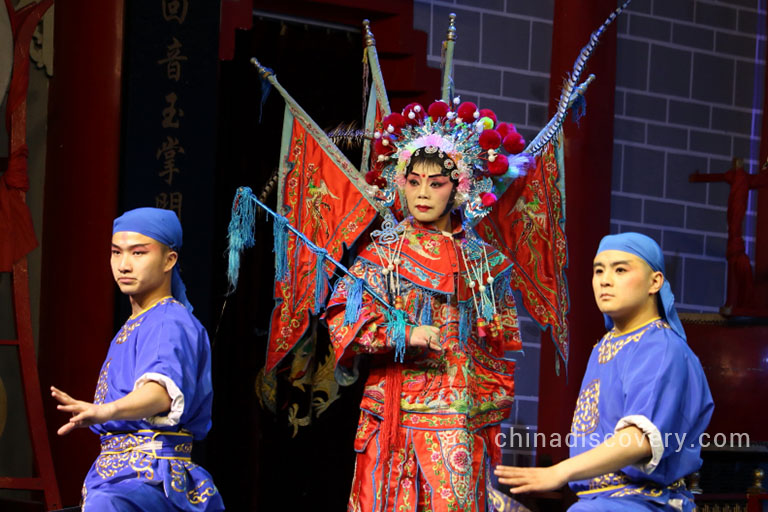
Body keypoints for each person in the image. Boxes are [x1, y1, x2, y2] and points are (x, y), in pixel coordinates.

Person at [325, 99, 530, 512]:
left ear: (459, 187)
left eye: (435, 183)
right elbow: (342, 320)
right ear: (399, 181)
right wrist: (404, 333)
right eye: (414, 180)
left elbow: (496, 343)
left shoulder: (484, 261)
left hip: (460, 414)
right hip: (394, 411)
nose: (422, 193)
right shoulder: (384, 253)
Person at [495, 232, 714, 511]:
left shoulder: (660, 346)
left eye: (620, 269)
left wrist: (559, 472)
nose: (605, 280)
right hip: (597, 501)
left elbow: (639, 440)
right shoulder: (604, 346)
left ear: (655, 282)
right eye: (599, 270)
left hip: (642, 501)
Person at [51, 207, 224, 511]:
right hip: (120, 479)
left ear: (170, 260)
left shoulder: (167, 321)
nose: (124, 265)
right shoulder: (138, 323)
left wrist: (106, 411)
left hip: (153, 481)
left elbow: (160, 394)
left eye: (139, 253)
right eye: (116, 253)